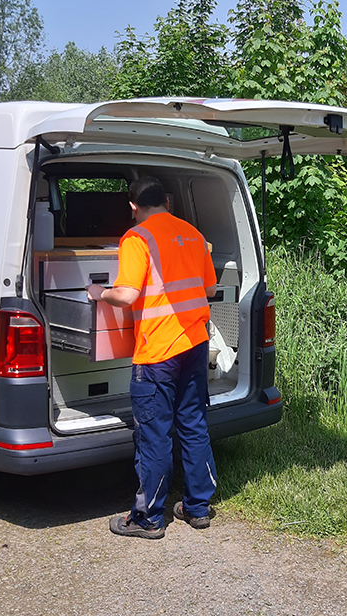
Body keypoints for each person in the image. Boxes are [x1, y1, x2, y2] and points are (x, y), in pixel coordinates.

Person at [88, 176, 219, 540]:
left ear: (133, 207)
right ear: (166, 200)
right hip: (194, 343)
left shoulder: (137, 238)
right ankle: (197, 508)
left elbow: (127, 295)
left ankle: (148, 517)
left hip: (158, 351)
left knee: (154, 433)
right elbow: (208, 287)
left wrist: (99, 292)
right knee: (192, 423)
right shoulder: (192, 234)